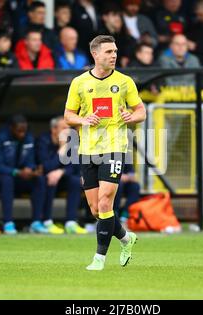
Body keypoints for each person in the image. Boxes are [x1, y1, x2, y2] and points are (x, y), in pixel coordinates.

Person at [64, 35, 146, 271]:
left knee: (105, 199)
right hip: (88, 149)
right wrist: (83, 119)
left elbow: (141, 111)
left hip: (114, 146)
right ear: (95, 55)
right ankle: (125, 238)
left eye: (115, 51)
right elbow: (68, 116)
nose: (114, 56)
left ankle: (99, 259)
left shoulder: (125, 82)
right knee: (96, 209)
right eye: (109, 52)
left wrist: (132, 116)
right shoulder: (79, 83)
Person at [0, 115, 43, 235]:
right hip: (5, 176)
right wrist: (16, 172)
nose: (22, 134)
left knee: (39, 180)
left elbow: (31, 158)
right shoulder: (0, 138)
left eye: (24, 131)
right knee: (7, 180)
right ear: (11, 128)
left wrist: (30, 169)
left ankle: (36, 221)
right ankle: (8, 222)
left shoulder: (28, 138)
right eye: (19, 131)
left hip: (21, 176)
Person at [36, 116, 86, 235]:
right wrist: (62, 148)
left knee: (74, 180)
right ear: (54, 129)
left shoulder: (71, 143)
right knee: (48, 179)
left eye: (69, 128)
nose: (67, 131)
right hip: (45, 180)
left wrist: (61, 172)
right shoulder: (43, 141)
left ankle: (70, 222)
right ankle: (47, 221)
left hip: (61, 179)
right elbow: (46, 167)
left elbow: (73, 167)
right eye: (63, 128)